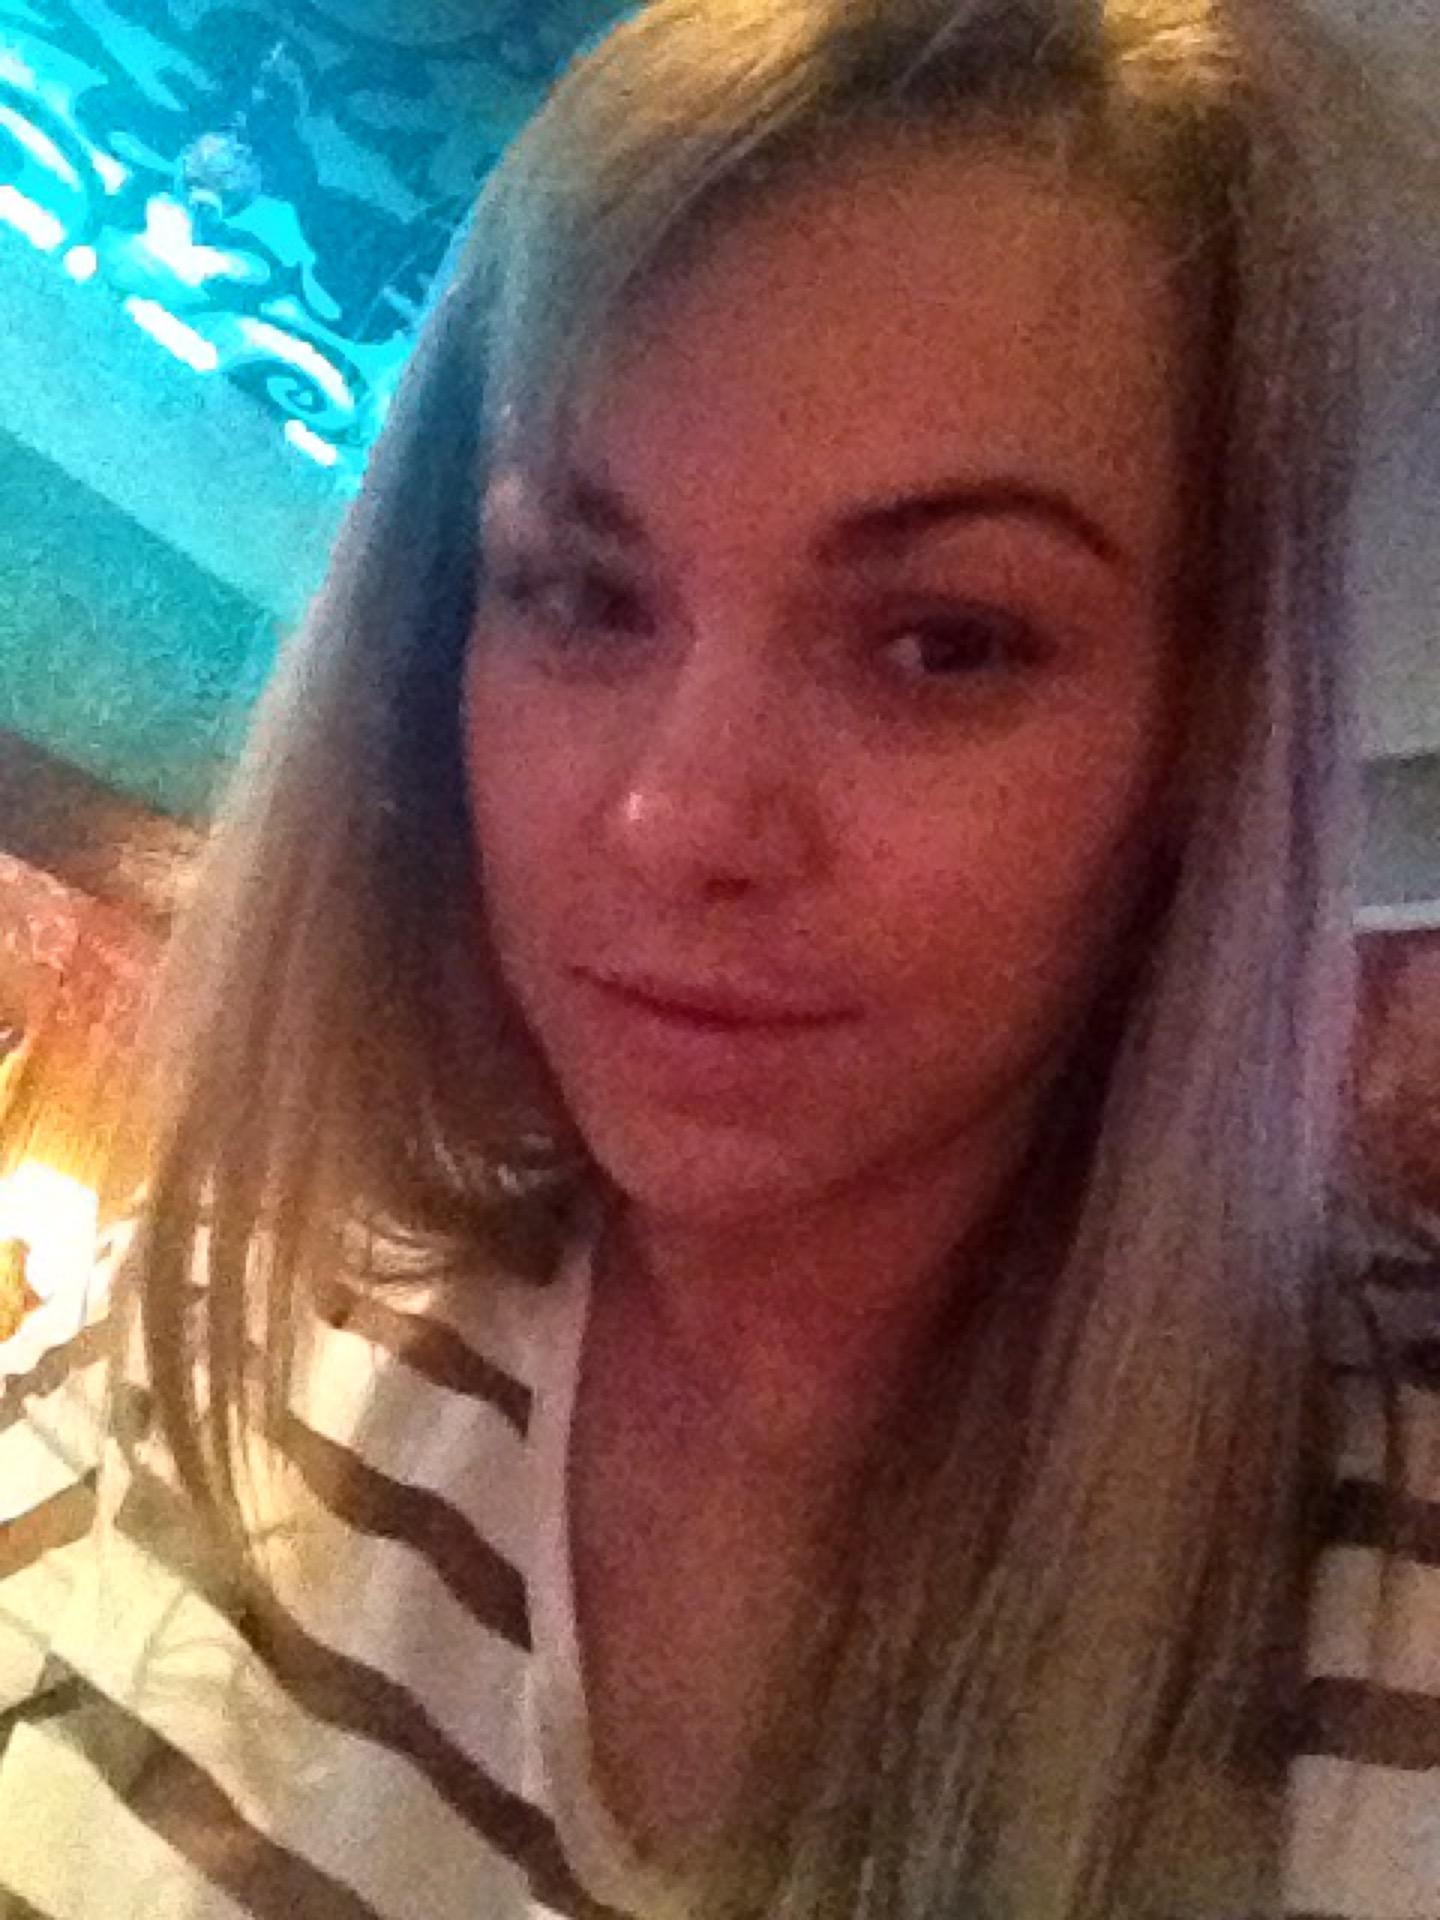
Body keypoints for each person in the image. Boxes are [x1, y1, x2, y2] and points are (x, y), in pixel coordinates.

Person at [1, 1, 1436, 1915]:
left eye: (944, 642)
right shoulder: (249, 1310)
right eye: (582, 593)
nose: (677, 819)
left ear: (1204, 745)